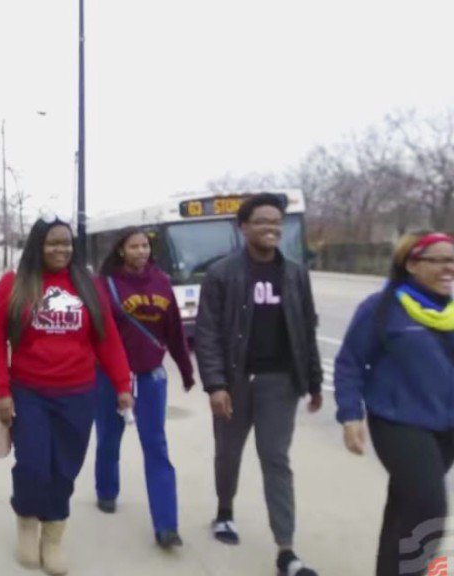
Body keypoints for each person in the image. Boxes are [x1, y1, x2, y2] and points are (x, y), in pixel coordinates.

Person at [0, 215, 133, 576]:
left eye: (66, 243)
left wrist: (122, 385)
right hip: (29, 392)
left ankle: (52, 536)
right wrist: (2, 391)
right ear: (38, 245)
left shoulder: (88, 286)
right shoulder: (14, 285)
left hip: (78, 393)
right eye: (53, 242)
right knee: (34, 464)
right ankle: (26, 519)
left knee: (65, 468)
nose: (61, 249)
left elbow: (108, 338)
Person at [193, 192, 323, 576]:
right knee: (228, 452)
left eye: (276, 222)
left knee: (276, 460)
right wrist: (216, 384)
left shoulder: (296, 273)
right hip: (235, 383)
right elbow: (208, 332)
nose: (271, 228)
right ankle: (224, 511)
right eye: (262, 221)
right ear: (244, 227)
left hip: (280, 383)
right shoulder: (222, 273)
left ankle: (286, 550)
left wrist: (314, 381)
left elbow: (305, 329)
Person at [333, 231, 454, 576]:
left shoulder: (451, 310)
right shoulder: (383, 307)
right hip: (398, 421)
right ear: (413, 264)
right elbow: (350, 362)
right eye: (440, 260)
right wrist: (350, 415)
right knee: (429, 509)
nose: (449, 268)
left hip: (445, 426)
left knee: (404, 506)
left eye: (453, 260)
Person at [93, 227, 195, 549]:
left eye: (145, 246)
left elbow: (174, 328)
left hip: (151, 378)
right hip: (110, 379)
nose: (141, 251)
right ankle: (106, 491)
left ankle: (167, 526)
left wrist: (185, 367)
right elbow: (94, 333)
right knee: (109, 440)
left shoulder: (161, 281)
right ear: (121, 250)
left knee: (156, 447)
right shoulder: (104, 284)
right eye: (134, 246)